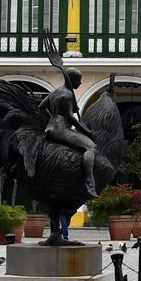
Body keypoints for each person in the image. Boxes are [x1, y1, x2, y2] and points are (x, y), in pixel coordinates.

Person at [39, 67, 98, 198]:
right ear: (71, 80)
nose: (80, 83)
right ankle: (90, 182)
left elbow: (41, 107)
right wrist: (86, 131)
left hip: (51, 127)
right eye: (78, 80)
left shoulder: (55, 91)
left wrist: (53, 117)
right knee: (91, 146)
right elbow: (70, 117)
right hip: (61, 130)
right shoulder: (68, 94)